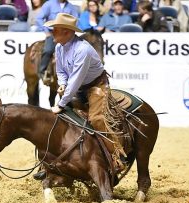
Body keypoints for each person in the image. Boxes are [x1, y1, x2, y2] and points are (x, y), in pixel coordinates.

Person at [33, 13, 126, 180]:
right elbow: (61, 71)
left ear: (67, 32)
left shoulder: (82, 50)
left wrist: (61, 104)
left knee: (97, 119)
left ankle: (117, 157)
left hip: (96, 86)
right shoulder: (59, 46)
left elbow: (75, 81)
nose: (52, 32)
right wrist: (62, 83)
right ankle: (49, 163)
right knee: (58, 120)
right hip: (76, 87)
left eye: (56, 29)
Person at [36, 0, 79, 84]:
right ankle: (42, 71)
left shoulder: (71, 7)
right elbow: (39, 18)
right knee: (48, 50)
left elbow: (76, 20)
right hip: (53, 33)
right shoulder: (49, 4)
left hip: (66, 34)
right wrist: (46, 31)